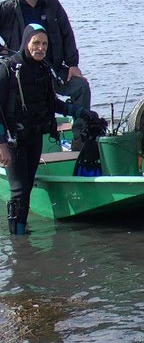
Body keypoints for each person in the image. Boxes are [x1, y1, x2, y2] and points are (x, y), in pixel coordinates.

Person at [0, 24, 99, 234]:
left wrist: (81, 112)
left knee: (27, 188)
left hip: (34, 136)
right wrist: (1, 144)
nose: (40, 48)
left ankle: (22, 240)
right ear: (26, 43)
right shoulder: (8, 70)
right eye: (36, 42)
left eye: (44, 44)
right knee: (19, 191)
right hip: (12, 140)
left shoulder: (43, 69)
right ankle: (17, 239)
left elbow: (52, 103)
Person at [0, 0, 92, 149]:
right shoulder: (8, 8)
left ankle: (79, 139)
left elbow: (67, 32)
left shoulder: (52, 4)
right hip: (21, 77)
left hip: (53, 69)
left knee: (81, 86)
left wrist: (72, 64)